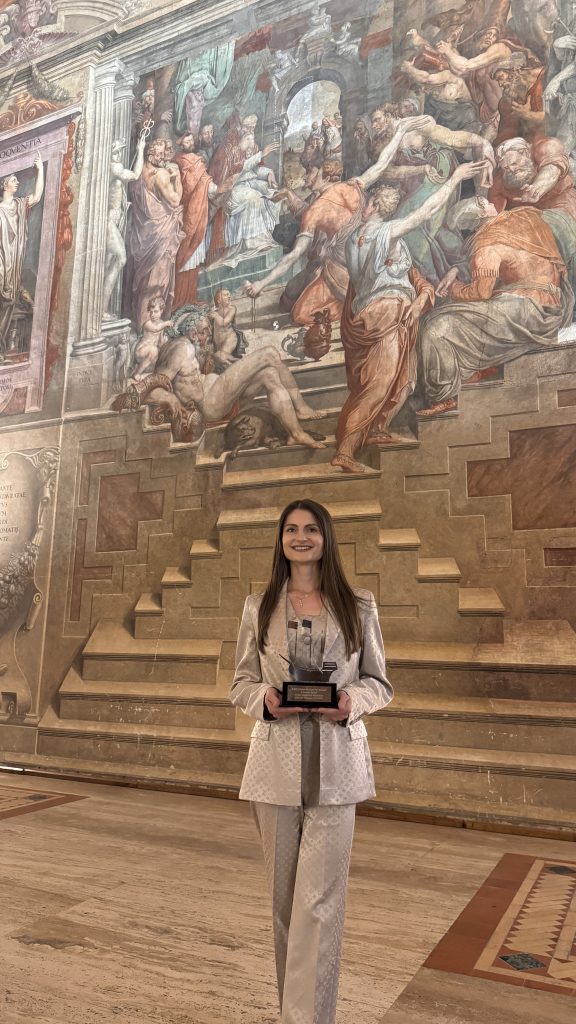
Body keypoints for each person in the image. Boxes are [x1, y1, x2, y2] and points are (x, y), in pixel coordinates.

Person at [230, 498, 392, 1024]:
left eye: (311, 529)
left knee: (319, 905)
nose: (301, 537)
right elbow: (241, 681)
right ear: (281, 540)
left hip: (338, 767)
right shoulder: (259, 606)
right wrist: (264, 700)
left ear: (326, 538)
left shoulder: (359, 605)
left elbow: (379, 682)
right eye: (291, 529)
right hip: (274, 768)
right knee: (285, 906)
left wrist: (350, 702)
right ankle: (294, 1012)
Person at [332, 159, 483, 473]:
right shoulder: (383, 233)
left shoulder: (355, 240)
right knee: (380, 382)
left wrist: (420, 296)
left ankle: (376, 428)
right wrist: (454, 178)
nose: (363, 207)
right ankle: (345, 450)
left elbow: (396, 275)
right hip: (387, 313)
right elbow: (426, 211)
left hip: (378, 313)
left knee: (402, 380)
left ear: (374, 205)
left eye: (367, 202)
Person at [244, 113, 437, 324]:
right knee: (290, 294)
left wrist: (261, 284)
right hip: (366, 257)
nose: (305, 178)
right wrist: (400, 131)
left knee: (299, 313)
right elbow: (381, 165)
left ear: (324, 175)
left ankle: (355, 305)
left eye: (310, 173)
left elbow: (293, 256)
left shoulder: (324, 204)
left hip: (347, 268)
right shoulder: (349, 187)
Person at [417, 196, 574, 417]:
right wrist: (458, 269)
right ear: (483, 212)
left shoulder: (486, 241)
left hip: (527, 312)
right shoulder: (525, 217)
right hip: (553, 307)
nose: (489, 200)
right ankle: (475, 371)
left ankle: (442, 397)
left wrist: (453, 288)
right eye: (482, 200)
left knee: (435, 325)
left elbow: (480, 292)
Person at [129, 139, 184, 328]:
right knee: (158, 282)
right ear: (150, 154)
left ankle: (143, 324)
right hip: (161, 234)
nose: (162, 158)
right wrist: (177, 179)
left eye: (163, 154)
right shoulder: (161, 175)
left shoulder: (138, 171)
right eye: (158, 154)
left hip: (144, 234)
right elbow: (175, 201)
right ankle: (150, 329)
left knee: (146, 282)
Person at [0, 152, 44, 359]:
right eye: (13, 180)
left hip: (14, 258)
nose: (17, 182)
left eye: (17, 180)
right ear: (4, 185)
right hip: (1, 257)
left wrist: (40, 170)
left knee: (8, 299)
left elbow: (37, 197)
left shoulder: (18, 205)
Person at [102, 135, 146, 320]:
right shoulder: (113, 168)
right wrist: (140, 150)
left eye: (120, 152)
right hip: (108, 223)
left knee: (108, 264)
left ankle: (102, 309)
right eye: (115, 152)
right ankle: (101, 309)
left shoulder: (113, 167)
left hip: (116, 222)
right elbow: (135, 175)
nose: (118, 155)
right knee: (121, 258)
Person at [489, 136, 576, 217]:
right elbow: (494, 213)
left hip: (560, 206)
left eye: (514, 163)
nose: (512, 170)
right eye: (506, 168)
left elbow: (552, 169)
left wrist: (536, 188)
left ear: (525, 153)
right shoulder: (500, 181)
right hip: (525, 217)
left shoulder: (545, 147)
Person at [132, 296, 172, 379]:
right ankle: (137, 373)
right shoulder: (148, 324)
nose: (152, 315)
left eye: (155, 312)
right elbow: (155, 329)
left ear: (161, 311)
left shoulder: (161, 324)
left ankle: (148, 373)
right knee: (154, 350)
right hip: (141, 351)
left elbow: (160, 343)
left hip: (153, 353)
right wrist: (166, 324)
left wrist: (164, 340)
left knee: (160, 352)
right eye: (151, 312)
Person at [209, 287, 247, 369]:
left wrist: (216, 316)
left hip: (230, 338)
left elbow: (224, 323)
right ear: (219, 300)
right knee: (220, 359)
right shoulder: (216, 312)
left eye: (229, 294)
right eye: (226, 295)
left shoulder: (232, 309)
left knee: (221, 357)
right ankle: (237, 363)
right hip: (219, 342)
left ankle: (240, 365)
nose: (229, 296)